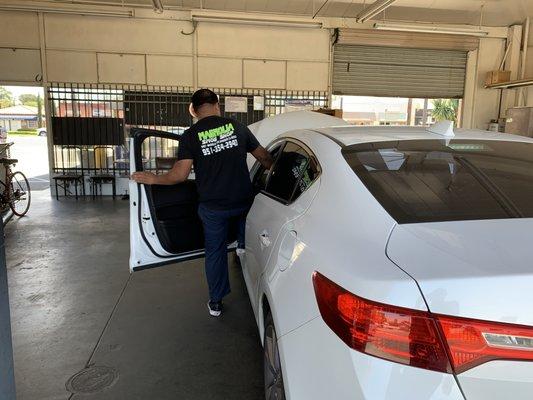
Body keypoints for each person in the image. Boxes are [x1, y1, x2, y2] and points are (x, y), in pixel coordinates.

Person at [131, 89, 273, 317]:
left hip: (214, 207)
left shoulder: (191, 135)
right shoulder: (237, 128)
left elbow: (179, 175)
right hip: (243, 201)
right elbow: (265, 158)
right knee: (246, 230)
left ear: (194, 110)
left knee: (215, 252)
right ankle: (243, 252)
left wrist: (153, 179)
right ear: (218, 105)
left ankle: (216, 302)